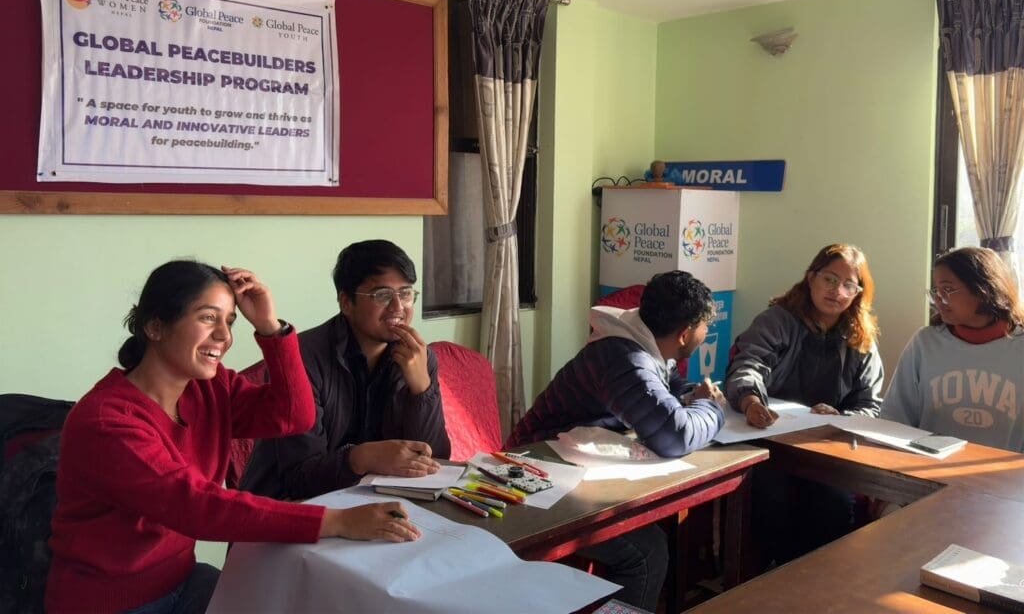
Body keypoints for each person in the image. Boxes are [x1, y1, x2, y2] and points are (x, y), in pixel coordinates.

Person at [46, 261, 419, 614]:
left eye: (230, 321)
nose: (224, 337)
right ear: (156, 327)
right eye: (208, 318)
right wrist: (339, 521)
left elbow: (292, 416)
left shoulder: (209, 389)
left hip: (181, 581)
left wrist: (271, 328)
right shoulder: (106, 420)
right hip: (114, 602)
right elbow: (197, 506)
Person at [507, 270, 726, 612]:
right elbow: (675, 436)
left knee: (652, 529)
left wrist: (691, 399)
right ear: (685, 334)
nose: (706, 333)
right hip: (537, 477)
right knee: (646, 553)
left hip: (574, 465)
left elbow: (665, 394)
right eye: (705, 327)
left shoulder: (643, 338)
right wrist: (709, 406)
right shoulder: (625, 358)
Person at [242, 240, 450, 500]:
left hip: (373, 509)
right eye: (383, 295)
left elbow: (436, 459)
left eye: (406, 293)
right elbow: (298, 479)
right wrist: (361, 458)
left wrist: (422, 389)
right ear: (346, 303)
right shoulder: (300, 359)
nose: (398, 307)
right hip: (288, 511)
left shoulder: (418, 357)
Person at [724, 242, 883, 565]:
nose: (837, 291)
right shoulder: (778, 320)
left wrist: (841, 416)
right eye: (829, 279)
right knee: (771, 500)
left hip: (828, 447)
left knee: (834, 505)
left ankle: (814, 581)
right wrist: (751, 401)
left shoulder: (861, 338)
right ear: (811, 278)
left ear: (858, 293)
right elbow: (747, 365)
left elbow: (871, 405)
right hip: (770, 440)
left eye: (848, 284)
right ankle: (771, 578)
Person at [881, 246, 1024, 452]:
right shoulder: (925, 343)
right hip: (926, 469)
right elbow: (893, 418)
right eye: (935, 291)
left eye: (947, 290)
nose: (939, 299)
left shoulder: (1018, 348)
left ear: (983, 290)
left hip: (1004, 478)